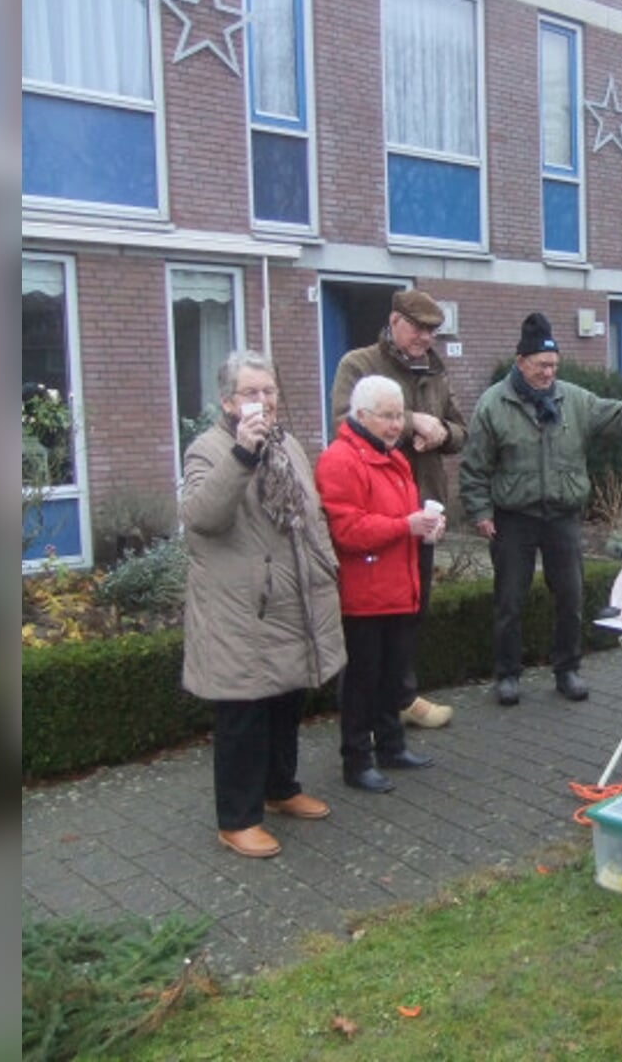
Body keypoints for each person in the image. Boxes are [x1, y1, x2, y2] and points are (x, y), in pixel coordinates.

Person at [460, 312, 622, 706]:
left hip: (563, 516)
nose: (549, 373)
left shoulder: (574, 399)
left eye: (553, 365)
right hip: (513, 518)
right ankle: (507, 676)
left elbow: (615, 416)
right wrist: (480, 512)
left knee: (570, 597)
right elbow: (474, 465)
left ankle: (567, 670)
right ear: (520, 362)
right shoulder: (493, 404)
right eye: (541, 365)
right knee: (509, 601)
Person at [179, 350, 346, 859]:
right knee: (243, 712)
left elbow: (310, 514)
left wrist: (328, 567)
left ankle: (280, 789)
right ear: (228, 401)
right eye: (251, 393)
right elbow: (202, 517)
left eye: (269, 391)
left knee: (285, 700)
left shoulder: (289, 444)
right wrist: (243, 457)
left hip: (291, 600)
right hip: (240, 609)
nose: (263, 401)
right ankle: (237, 818)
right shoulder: (208, 450)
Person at [329, 289, 467, 731]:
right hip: (375, 510)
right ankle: (364, 710)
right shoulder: (359, 364)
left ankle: (400, 700)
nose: (426, 338)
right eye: (418, 328)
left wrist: (442, 431)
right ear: (394, 321)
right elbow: (341, 423)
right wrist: (411, 421)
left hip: (420, 506)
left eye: (432, 330)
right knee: (370, 624)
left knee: (412, 610)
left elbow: (462, 430)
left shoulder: (436, 372)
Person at [315, 375, 447, 794]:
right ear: (361, 415)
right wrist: (404, 526)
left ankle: (391, 746)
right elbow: (346, 530)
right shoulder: (340, 460)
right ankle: (357, 761)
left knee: (392, 675)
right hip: (365, 593)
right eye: (388, 417)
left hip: (397, 586)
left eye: (398, 416)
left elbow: (400, 521)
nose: (396, 425)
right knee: (361, 683)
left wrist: (426, 527)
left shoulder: (393, 457)